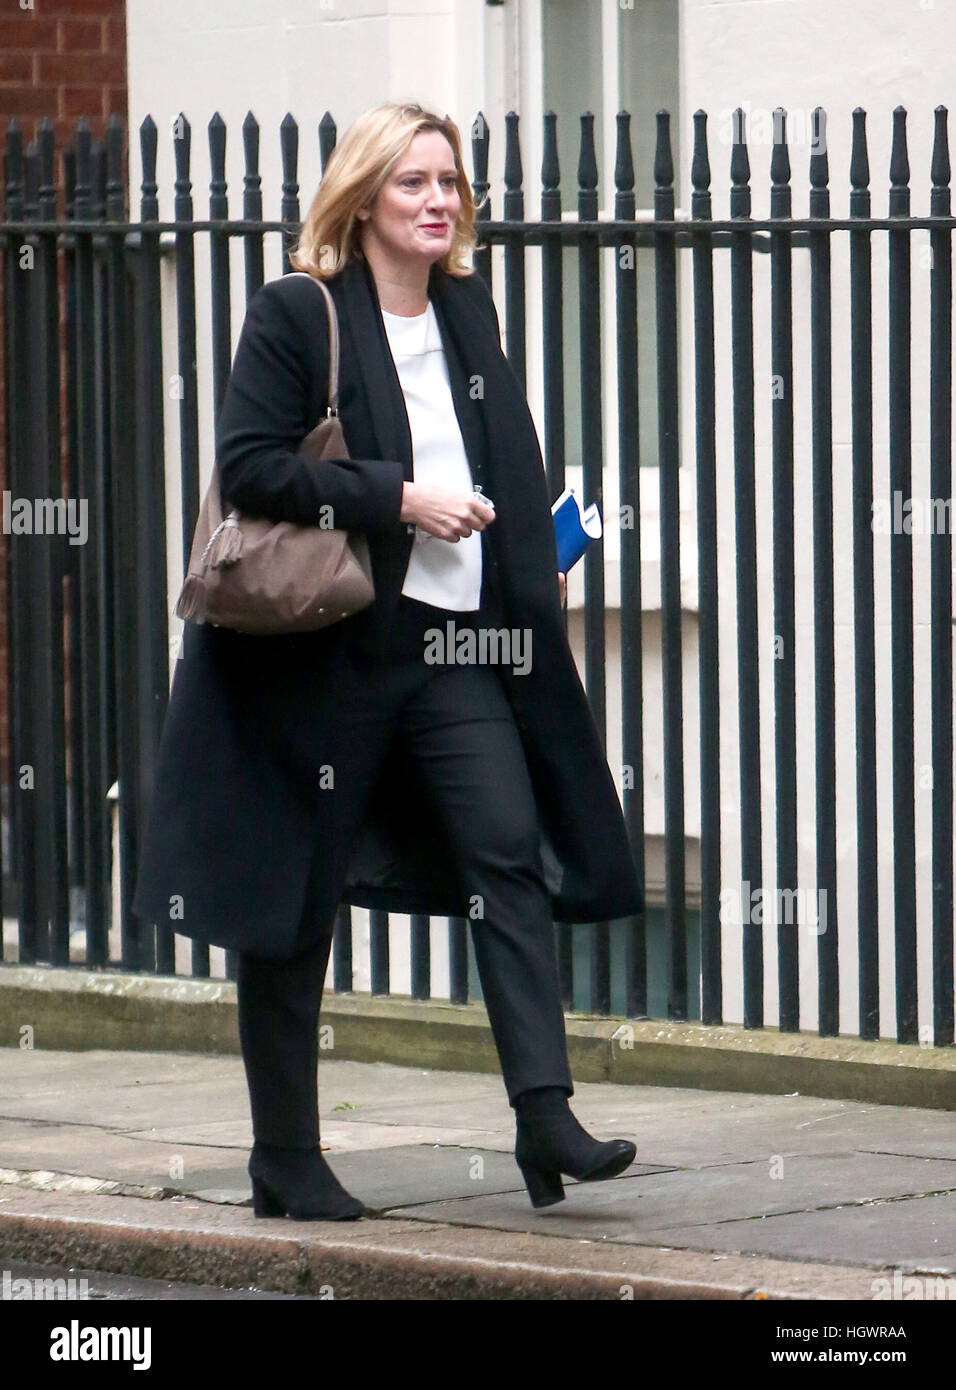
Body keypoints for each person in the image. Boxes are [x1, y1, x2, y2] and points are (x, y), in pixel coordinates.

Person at [132, 101, 644, 1218]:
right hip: (334, 655)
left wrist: (531, 556)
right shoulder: (295, 312)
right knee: (296, 899)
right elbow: (254, 467)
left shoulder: (466, 312)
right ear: (364, 197)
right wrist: (397, 498)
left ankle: (541, 1112)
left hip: (454, 648)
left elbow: (503, 453)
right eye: (414, 183)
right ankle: (286, 1158)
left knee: (504, 850)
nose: (438, 202)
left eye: (450, 183)